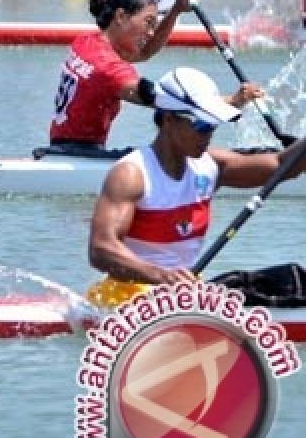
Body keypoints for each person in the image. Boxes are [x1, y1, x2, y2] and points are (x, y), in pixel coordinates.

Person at [87, 67, 306, 308]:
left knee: (292, 280)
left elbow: (284, 165)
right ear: (169, 119)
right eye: (202, 125)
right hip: (128, 299)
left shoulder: (211, 165)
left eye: (213, 125)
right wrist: (161, 276)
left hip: (184, 293)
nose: (208, 134)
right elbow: (101, 249)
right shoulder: (132, 174)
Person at [44, 0, 259, 155]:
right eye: (148, 23)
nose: (150, 33)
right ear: (120, 17)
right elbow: (162, 98)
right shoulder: (109, 68)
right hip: (80, 153)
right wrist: (232, 101)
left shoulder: (86, 42)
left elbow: (145, 52)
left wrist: (176, 10)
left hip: (62, 146)